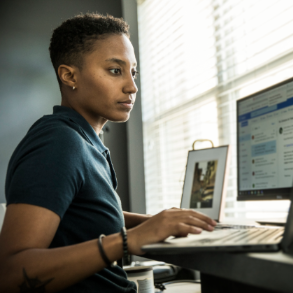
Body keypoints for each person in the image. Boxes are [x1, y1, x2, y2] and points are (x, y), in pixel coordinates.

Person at [0, 13, 216, 293]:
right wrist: (127, 241)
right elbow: (10, 274)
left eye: (133, 72)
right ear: (69, 75)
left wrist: (157, 222)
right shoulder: (59, 143)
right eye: (115, 70)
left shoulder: (84, 141)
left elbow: (83, 214)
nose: (132, 86)